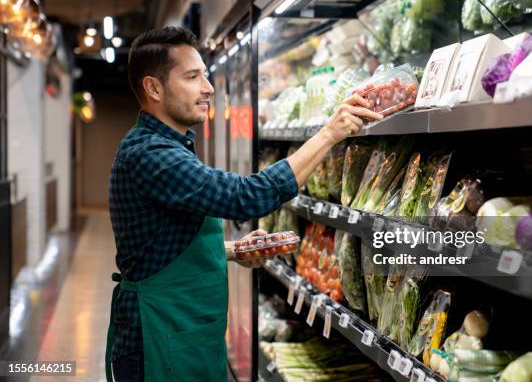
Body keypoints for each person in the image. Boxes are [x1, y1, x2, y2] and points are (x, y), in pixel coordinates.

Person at [105, 26, 382, 382]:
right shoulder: (151, 154)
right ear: (154, 88)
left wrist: (232, 250)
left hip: (180, 333)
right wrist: (330, 133)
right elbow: (247, 197)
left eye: (205, 74)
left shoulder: (168, 147)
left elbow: (160, 242)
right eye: (192, 76)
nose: (208, 88)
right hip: (159, 339)